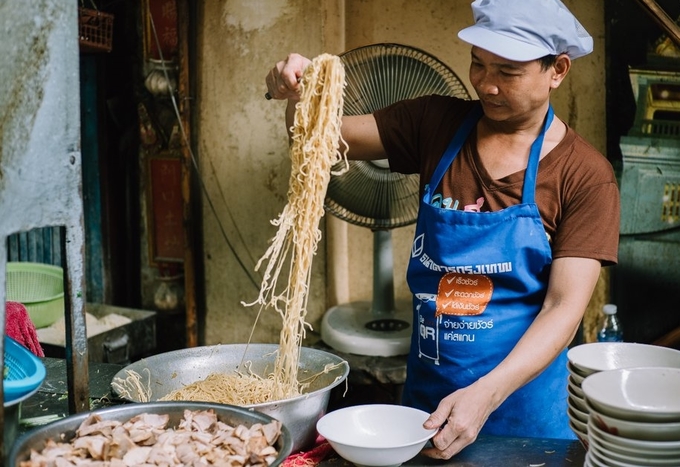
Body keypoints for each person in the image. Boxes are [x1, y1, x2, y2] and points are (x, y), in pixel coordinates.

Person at [265, 0, 619, 460]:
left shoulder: (585, 174)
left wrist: (485, 395)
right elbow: (316, 138)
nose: (487, 85)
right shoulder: (435, 124)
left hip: (523, 418)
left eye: (508, 72)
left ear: (558, 70)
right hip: (423, 411)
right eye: (478, 64)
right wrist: (294, 92)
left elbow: (562, 309)